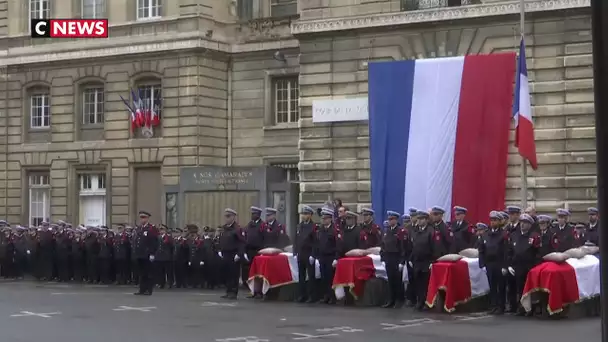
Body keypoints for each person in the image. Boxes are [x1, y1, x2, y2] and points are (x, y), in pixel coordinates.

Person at [506, 214, 540, 316]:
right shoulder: (514, 235)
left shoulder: (534, 236)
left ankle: (530, 309)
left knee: (529, 289)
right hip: (516, 266)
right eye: (521, 222)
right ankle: (519, 307)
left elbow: (537, 252)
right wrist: (509, 265)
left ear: (530, 224)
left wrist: (535, 266)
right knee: (517, 288)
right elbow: (509, 251)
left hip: (529, 266)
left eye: (525, 223)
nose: (523, 225)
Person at [478, 211, 508, 315]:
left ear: (500, 222)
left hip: (499, 263)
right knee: (492, 286)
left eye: (495, 220)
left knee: (501, 286)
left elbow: (506, 251)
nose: (493, 222)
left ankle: (501, 306)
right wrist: (482, 265)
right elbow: (481, 250)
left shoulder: (504, 234)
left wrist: (505, 266)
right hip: (489, 264)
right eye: (491, 220)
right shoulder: (486, 234)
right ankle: (493, 305)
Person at [381, 211, 410, 309]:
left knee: (398, 280)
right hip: (388, 258)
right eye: (389, 219)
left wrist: (402, 261)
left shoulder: (400, 231)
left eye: (392, 219)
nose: (390, 221)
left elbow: (403, 247)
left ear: (396, 220)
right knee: (390, 280)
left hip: (396, 257)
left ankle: (399, 300)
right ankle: (391, 300)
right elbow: (383, 246)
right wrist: (383, 258)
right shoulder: (387, 231)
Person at [313, 208, 341, 304]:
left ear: (330, 219)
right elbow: (317, 243)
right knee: (324, 278)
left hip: (330, 257)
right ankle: (326, 296)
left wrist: (336, 258)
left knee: (330, 278)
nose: (323, 220)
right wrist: (316, 256)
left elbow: (338, 245)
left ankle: (332, 297)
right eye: (322, 218)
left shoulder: (334, 230)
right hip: (322, 257)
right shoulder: (320, 230)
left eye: (325, 218)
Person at [218, 208, 246, 299]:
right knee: (227, 273)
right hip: (225, 253)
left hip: (234, 254)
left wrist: (239, 254)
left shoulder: (237, 229)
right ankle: (228, 290)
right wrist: (220, 250)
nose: (226, 218)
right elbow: (220, 240)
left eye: (228, 216)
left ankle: (233, 292)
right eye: (225, 216)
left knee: (234, 273)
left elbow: (242, 242)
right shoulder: (224, 228)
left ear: (233, 217)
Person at [409, 210, 434, 311]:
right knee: (418, 283)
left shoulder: (431, 231)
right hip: (416, 261)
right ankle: (419, 301)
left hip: (426, 261)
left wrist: (432, 261)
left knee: (425, 283)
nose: (419, 221)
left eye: (421, 219)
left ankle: (426, 302)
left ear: (426, 220)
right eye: (418, 219)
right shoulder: (415, 231)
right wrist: (410, 258)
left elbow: (434, 247)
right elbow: (412, 246)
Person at [294, 205, 319, 303]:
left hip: (309, 254)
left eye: (305, 214)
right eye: (302, 214)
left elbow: (316, 242)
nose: (303, 216)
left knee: (311, 276)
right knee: (301, 276)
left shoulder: (313, 227)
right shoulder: (299, 226)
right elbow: (296, 239)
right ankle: (302, 295)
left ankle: (312, 296)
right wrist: (295, 251)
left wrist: (313, 255)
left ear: (310, 215)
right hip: (300, 254)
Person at [133, 211, 159, 296]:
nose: (142, 219)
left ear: (147, 218)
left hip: (147, 254)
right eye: (141, 217)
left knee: (148, 273)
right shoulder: (139, 228)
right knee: (142, 273)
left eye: (144, 217)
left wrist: (152, 253)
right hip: (140, 254)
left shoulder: (151, 228)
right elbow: (137, 241)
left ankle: (149, 289)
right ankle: (142, 289)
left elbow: (154, 242)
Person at [242, 206, 265, 291]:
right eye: (252, 214)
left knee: (257, 271)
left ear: (258, 215)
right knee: (247, 269)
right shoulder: (249, 225)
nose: (252, 215)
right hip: (249, 250)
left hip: (258, 251)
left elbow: (264, 238)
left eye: (254, 214)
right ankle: (249, 287)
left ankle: (257, 289)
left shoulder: (262, 225)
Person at [155, 224, 174, 289]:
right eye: (160, 229)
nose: (161, 231)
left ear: (165, 230)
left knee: (168, 271)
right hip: (159, 256)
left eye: (162, 229)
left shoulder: (168, 237)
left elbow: (172, 247)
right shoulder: (158, 237)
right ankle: (161, 283)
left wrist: (170, 255)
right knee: (160, 271)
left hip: (166, 256)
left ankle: (169, 283)